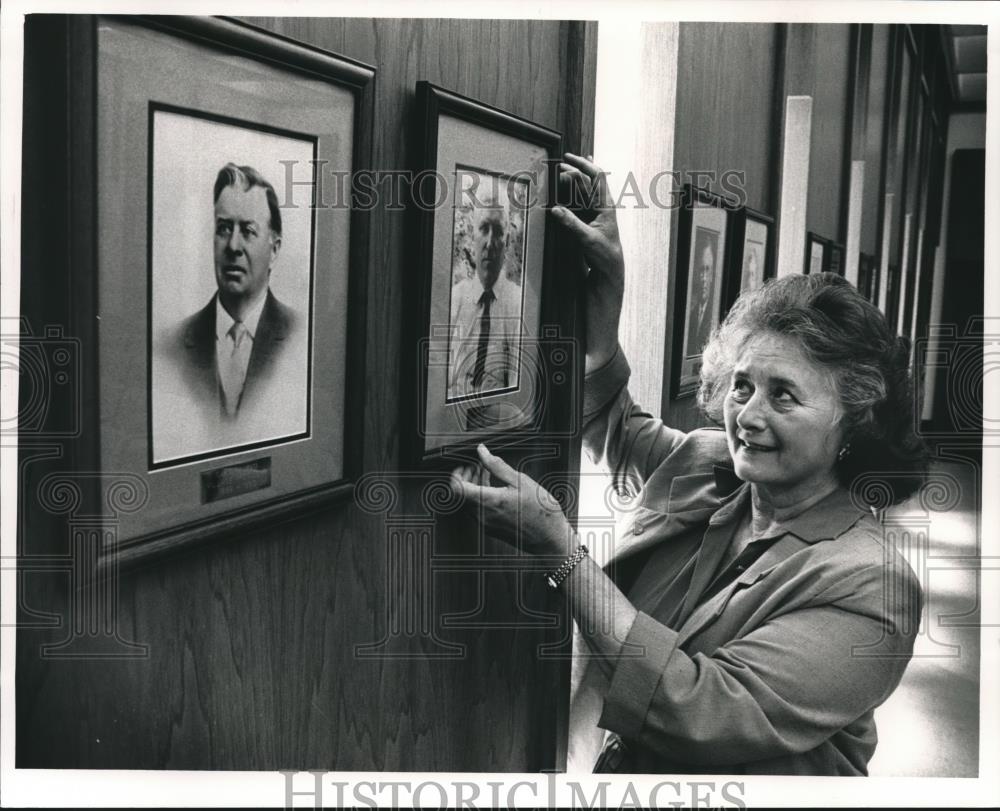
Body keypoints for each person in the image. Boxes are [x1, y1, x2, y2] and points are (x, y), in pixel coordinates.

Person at [450, 153, 928, 775]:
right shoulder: (711, 465)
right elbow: (615, 427)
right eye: (741, 386)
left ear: (854, 418)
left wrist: (561, 553)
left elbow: (699, 709)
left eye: (783, 395)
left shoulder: (873, 585)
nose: (747, 416)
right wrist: (608, 292)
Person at [176, 163, 299, 421]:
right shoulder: (175, 344)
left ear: (274, 250)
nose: (233, 246)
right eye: (224, 228)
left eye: (248, 231)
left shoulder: (299, 338)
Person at [447, 199, 522, 405]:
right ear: (473, 236)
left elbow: (519, 392)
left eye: (497, 231)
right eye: (484, 229)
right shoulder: (456, 298)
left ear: (506, 241)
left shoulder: (518, 303)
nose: (490, 243)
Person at [685, 238, 717, 356]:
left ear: (713, 276)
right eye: (701, 270)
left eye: (707, 270)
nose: (703, 278)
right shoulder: (691, 311)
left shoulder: (714, 314)